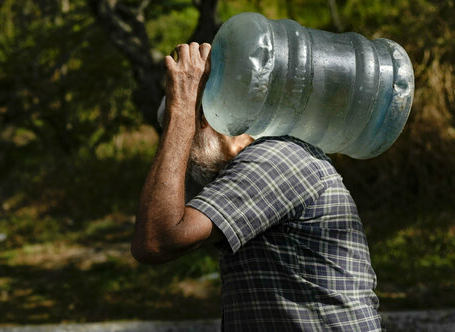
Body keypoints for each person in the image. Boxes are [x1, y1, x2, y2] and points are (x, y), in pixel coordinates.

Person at [132, 42, 382, 331]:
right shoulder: (254, 168)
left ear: (205, 120)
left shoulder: (274, 158)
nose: (185, 158)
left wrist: (181, 111)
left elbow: (155, 240)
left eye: (185, 143)